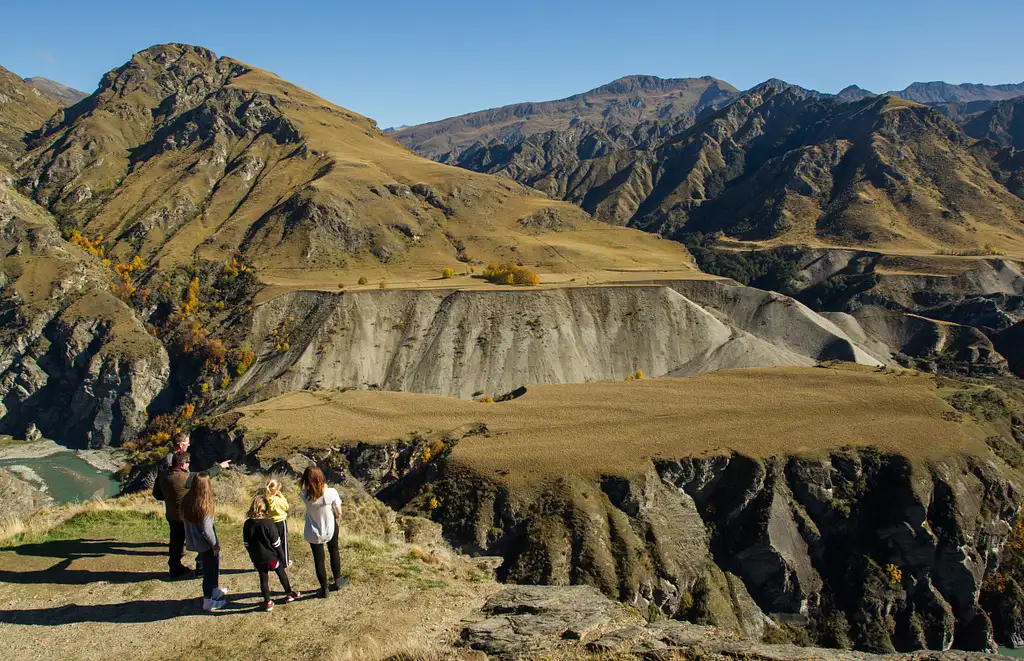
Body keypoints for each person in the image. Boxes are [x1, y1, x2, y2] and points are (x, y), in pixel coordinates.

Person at [153, 435, 230, 577]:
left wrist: (171, 497)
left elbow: (157, 494)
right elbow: (204, 475)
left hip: (171, 514)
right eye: (188, 463)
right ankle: (201, 568)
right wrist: (220, 467)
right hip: (187, 515)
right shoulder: (185, 478)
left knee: (175, 542)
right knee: (200, 537)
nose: (189, 465)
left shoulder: (163, 475)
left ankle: (175, 568)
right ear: (183, 465)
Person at [243, 495, 300, 611]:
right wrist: (283, 559)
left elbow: (247, 544)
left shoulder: (247, 524)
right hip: (272, 558)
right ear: (265, 509)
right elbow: (276, 544)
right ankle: (289, 593)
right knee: (281, 573)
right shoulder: (268, 524)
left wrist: (252, 557)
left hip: (258, 558)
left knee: (263, 578)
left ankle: (268, 602)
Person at [299, 466, 349, 598]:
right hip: (330, 527)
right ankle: (338, 581)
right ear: (321, 478)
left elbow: (310, 492)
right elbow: (338, 514)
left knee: (319, 560)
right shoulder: (331, 492)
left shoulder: (304, 494)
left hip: (314, 531)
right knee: (334, 551)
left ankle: (324, 589)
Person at [182, 472, 229, 612]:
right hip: (205, 543)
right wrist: (215, 545)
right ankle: (208, 601)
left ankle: (214, 591)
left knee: (213, 565)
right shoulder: (204, 504)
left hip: (195, 540)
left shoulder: (187, 500)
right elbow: (207, 529)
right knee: (209, 571)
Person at [265, 480, 291, 567]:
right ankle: (285, 562)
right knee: (283, 542)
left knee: (272, 542)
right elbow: (286, 506)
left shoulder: (266, 499)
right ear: (276, 490)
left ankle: (273, 561)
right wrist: (281, 496)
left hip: (270, 522)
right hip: (280, 522)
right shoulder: (278, 500)